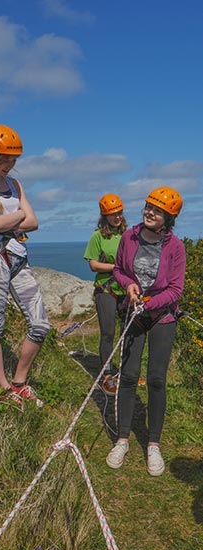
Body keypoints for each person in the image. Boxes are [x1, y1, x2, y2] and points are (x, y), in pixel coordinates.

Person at [105, 187, 186, 476]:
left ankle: (153, 444)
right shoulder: (130, 236)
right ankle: (122, 439)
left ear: (169, 217)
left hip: (162, 316)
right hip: (134, 313)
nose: (150, 212)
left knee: (156, 379)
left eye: (158, 210)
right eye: (149, 206)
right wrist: (128, 285)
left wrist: (150, 301)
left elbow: (176, 289)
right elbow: (118, 269)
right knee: (127, 376)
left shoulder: (175, 247)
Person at [0, 124, 50, 408]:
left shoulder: (14, 185)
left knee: (41, 325)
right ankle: (5, 387)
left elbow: (34, 222)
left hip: (19, 258)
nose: (10, 164)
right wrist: (18, 216)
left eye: (13, 159)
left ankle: (20, 382)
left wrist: (9, 222)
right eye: (5, 158)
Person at [84, 194, 127, 395]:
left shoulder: (128, 235)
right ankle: (107, 374)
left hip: (126, 288)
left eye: (118, 213)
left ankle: (127, 371)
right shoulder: (98, 236)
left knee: (127, 332)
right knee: (108, 332)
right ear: (105, 216)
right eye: (112, 214)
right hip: (106, 288)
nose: (116, 217)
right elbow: (93, 264)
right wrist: (116, 267)